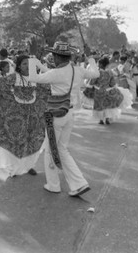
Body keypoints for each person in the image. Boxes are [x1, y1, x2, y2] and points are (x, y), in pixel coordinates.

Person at [27, 42, 99, 197]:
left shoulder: (56, 73)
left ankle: (53, 185)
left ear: (57, 57)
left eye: (54, 55)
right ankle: (79, 183)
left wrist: (32, 57)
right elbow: (95, 74)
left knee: (50, 149)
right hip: (69, 114)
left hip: (55, 116)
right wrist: (90, 58)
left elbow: (33, 77)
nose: (52, 58)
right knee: (62, 149)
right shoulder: (78, 71)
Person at [0, 54, 51, 177]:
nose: (27, 66)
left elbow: (47, 89)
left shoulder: (37, 78)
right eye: (24, 64)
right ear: (18, 66)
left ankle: (28, 166)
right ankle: (14, 168)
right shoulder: (14, 77)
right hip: (16, 115)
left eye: (29, 64)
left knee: (31, 140)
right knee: (15, 141)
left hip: (32, 115)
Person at [83, 56, 132, 125]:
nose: (97, 65)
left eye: (98, 64)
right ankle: (107, 119)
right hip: (107, 91)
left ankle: (101, 120)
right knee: (107, 106)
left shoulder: (97, 73)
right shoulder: (110, 72)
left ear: (101, 65)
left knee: (100, 106)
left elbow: (91, 83)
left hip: (99, 92)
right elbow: (112, 84)